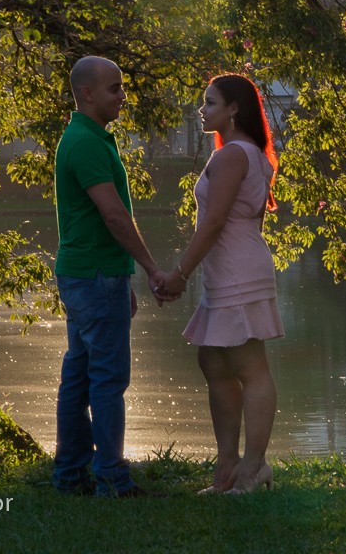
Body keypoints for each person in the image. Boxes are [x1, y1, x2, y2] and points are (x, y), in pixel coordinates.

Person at [157, 73, 283, 494]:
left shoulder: (232, 155)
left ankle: (252, 468)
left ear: (233, 108)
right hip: (233, 268)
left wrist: (180, 273)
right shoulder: (251, 153)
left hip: (238, 271)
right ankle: (227, 466)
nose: (202, 109)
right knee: (213, 361)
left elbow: (213, 223)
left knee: (250, 366)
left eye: (210, 102)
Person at [51, 56, 167, 498]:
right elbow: (114, 216)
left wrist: (125, 279)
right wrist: (152, 268)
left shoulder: (90, 138)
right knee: (107, 379)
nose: (123, 96)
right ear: (87, 93)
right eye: (114, 88)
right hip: (94, 277)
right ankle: (112, 480)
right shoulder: (84, 143)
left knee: (79, 375)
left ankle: (69, 475)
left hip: (93, 275)